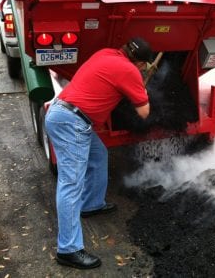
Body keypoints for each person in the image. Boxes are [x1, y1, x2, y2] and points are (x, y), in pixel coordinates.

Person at [44, 37, 153, 269]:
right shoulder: (130, 71)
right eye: (144, 65)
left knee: (98, 155)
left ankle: (92, 204)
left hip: (65, 113)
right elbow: (144, 112)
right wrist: (141, 86)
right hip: (72, 123)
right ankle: (68, 250)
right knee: (71, 184)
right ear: (141, 64)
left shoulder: (105, 53)